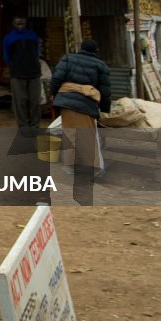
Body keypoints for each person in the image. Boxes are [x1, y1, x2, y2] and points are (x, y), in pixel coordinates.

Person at [51, 39, 112, 205]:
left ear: (81, 48)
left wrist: (54, 94)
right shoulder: (100, 65)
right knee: (87, 137)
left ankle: (71, 165)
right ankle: (92, 170)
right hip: (85, 104)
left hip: (65, 102)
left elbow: (56, 78)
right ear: (96, 50)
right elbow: (105, 90)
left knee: (70, 132)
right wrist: (105, 110)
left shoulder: (68, 58)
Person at [2, 17, 42, 132]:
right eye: (17, 22)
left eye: (22, 22)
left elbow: (36, 52)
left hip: (34, 73)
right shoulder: (8, 38)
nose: (20, 24)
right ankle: (23, 127)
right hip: (17, 74)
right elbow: (6, 56)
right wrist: (14, 67)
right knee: (20, 102)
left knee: (34, 101)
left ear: (25, 23)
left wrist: (34, 64)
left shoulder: (32, 35)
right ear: (13, 23)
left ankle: (35, 127)